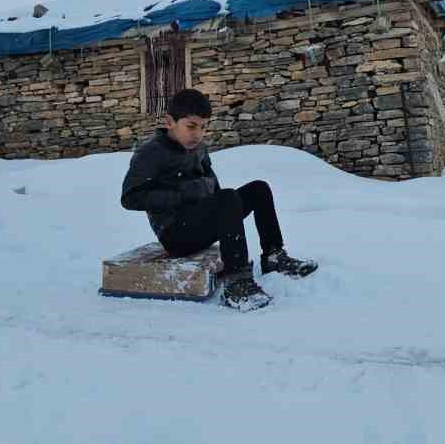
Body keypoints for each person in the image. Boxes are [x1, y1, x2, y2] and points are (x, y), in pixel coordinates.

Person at [120, 88, 317, 311]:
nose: (198, 134)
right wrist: (182, 194)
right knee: (227, 198)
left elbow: (214, 187)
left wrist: (223, 208)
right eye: (191, 126)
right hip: (175, 234)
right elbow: (129, 198)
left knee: (258, 189)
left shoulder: (197, 148)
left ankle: (274, 256)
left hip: (200, 223)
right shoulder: (151, 153)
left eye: (203, 127)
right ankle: (236, 282)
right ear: (169, 122)